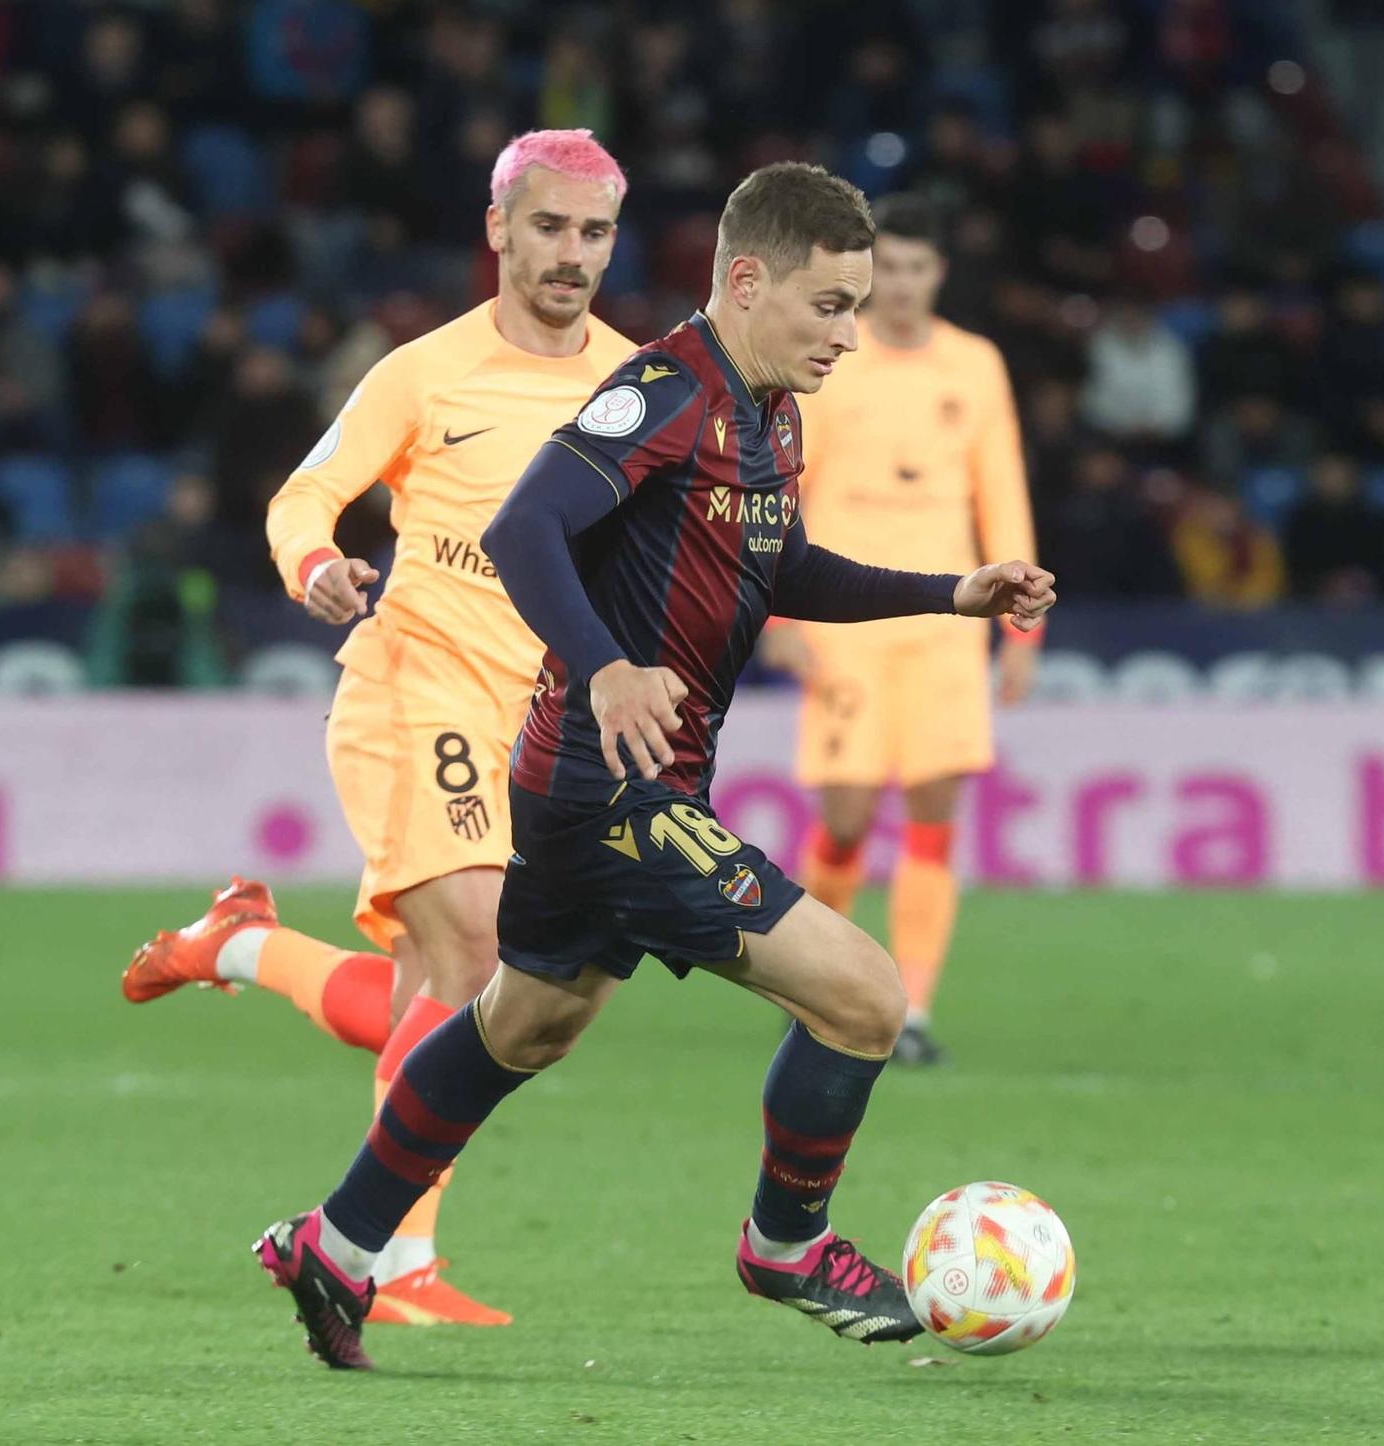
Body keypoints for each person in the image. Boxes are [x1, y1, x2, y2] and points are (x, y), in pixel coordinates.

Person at [251, 162, 1056, 1370]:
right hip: (609, 789)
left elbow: (776, 571)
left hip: (612, 785)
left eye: (855, 305)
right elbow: (523, 525)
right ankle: (786, 1242)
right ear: (746, 281)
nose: (850, 332)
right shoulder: (665, 391)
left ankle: (337, 1243)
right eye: (829, 306)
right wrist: (602, 666)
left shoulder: (769, 405)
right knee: (862, 999)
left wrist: (950, 592)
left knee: (523, 1023)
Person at [120, 130, 637, 1328]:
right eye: (547, 226)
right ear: (498, 227)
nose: (569, 254)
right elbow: (305, 492)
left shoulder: (634, 384)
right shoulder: (424, 371)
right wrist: (312, 562)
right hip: (418, 683)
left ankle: (238, 947)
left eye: (594, 232)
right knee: (473, 954)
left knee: (470, 1003)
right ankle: (386, 1260)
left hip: (543, 716)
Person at [757, 192, 1038, 1066]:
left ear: (940, 273)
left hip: (951, 618)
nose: (905, 286)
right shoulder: (834, 358)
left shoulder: (976, 364)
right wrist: (774, 608)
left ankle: (909, 1006)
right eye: (894, 269)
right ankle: (821, 985)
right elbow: (785, 486)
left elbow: (1001, 489)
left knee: (935, 815)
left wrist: (1022, 624)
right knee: (843, 818)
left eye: (921, 268)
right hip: (846, 616)